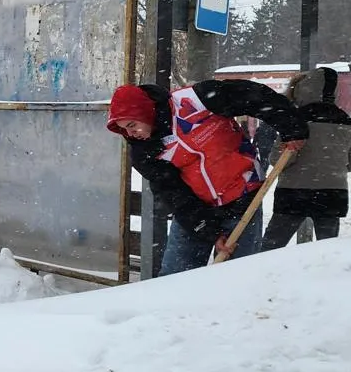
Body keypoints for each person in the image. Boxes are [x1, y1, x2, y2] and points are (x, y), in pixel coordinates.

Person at [106, 79, 308, 274]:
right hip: (196, 210)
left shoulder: (197, 100)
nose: (130, 133)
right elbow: (172, 192)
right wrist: (207, 230)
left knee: (239, 277)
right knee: (175, 278)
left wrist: (292, 127)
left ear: (145, 111)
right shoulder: (145, 149)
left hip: (243, 198)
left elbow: (256, 97)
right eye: (123, 129)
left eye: (132, 125)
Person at [258, 68, 351, 251]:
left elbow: (279, 159)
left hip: (293, 193)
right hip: (332, 192)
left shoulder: (294, 120)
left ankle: (262, 276)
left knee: (272, 245)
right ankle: (325, 278)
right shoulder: (346, 122)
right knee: (328, 249)